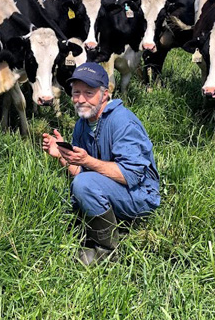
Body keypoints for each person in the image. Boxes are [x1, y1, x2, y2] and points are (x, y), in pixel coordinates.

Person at [42, 62, 160, 265]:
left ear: (105, 94)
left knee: (83, 186)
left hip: (141, 195)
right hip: (113, 189)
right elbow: (82, 172)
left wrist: (87, 161)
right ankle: (112, 230)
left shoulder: (122, 121)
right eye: (76, 92)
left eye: (89, 93)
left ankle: (107, 252)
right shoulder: (82, 123)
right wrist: (62, 156)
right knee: (68, 191)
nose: (80, 99)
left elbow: (129, 175)